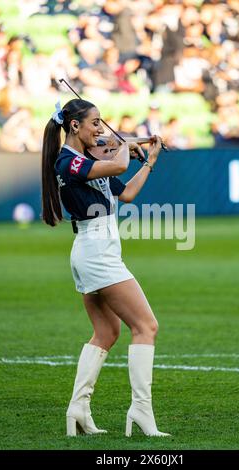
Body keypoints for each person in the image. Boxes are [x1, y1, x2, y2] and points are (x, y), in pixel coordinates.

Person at [41, 98, 170, 438]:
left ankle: (78, 409)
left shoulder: (88, 158)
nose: (101, 129)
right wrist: (126, 146)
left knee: (106, 333)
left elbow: (125, 193)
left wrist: (149, 161)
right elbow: (116, 167)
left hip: (96, 251)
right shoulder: (66, 162)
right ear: (74, 126)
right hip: (95, 250)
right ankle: (141, 410)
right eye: (95, 122)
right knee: (147, 326)